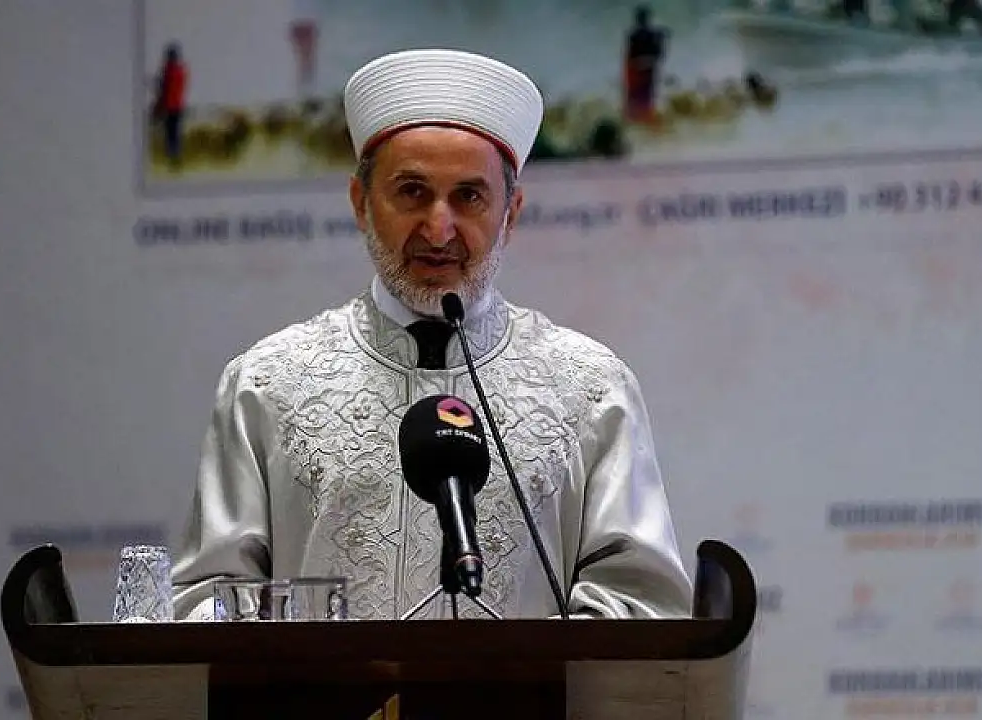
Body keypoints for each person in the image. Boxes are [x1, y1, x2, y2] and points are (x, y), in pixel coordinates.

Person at [169, 48, 694, 622]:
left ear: (511, 214)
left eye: (469, 196)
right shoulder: (268, 384)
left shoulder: (590, 389)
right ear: (361, 204)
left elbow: (642, 605)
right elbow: (208, 600)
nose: (439, 228)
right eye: (412, 192)